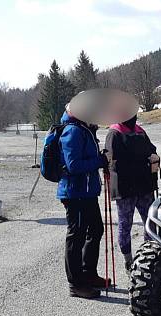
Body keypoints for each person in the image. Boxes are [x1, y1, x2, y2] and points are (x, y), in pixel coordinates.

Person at [58, 107, 110, 299]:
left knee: (96, 229)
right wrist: (100, 160)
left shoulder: (84, 129)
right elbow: (73, 165)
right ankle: (76, 284)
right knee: (76, 236)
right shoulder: (73, 130)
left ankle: (88, 274)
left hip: (86, 192)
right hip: (75, 192)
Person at [105, 115, 158, 271]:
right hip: (125, 188)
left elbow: (152, 149)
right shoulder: (114, 133)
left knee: (151, 223)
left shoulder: (139, 131)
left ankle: (148, 256)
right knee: (125, 224)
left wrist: (154, 158)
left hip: (144, 186)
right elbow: (112, 161)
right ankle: (128, 260)